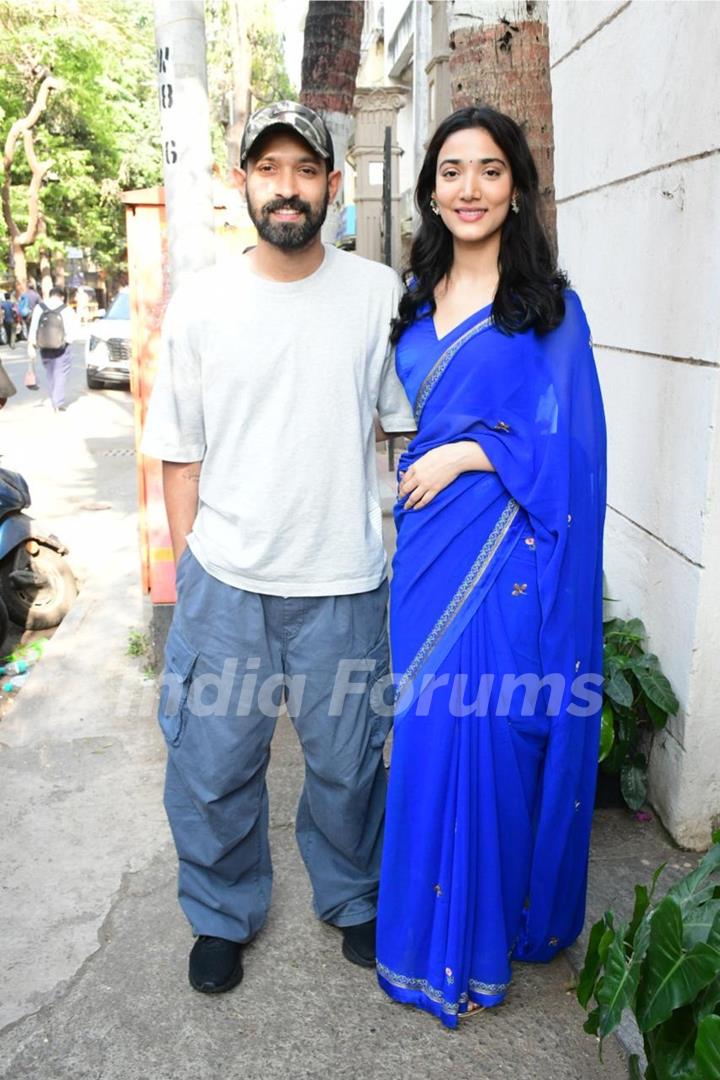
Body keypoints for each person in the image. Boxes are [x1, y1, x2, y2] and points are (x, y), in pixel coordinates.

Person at [140, 101, 415, 996]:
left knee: (348, 763)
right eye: (270, 169)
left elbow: (403, 434)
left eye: (306, 169)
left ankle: (353, 896)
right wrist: (192, 583)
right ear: (243, 184)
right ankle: (221, 912)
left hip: (343, 581)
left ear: (334, 186)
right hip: (227, 582)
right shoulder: (204, 305)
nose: (287, 186)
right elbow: (180, 456)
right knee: (213, 767)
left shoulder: (378, 294)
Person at [376, 106, 607, 1027]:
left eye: (490, 171)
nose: (469, 189)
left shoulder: (549, 310)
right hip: (426, 553)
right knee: (430, 737)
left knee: (501, 741)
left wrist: (471, 455)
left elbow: (574, 454)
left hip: (508, 559)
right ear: (432, 189)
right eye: (452, 171)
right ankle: (423, 946)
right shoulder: (412, 297)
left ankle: (484, 941)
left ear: (516, 189)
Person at [27, 286, 79, 411]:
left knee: (50, 372)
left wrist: (31, 344)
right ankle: (58, 402)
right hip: (62, 346)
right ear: (62, 296)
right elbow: (73, 331)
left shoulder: (39, 308)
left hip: (44, 345)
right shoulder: (67, 310)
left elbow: (34, 326)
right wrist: (67, 341)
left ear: (50, 295)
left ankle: (54, 398)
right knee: (60, 372)